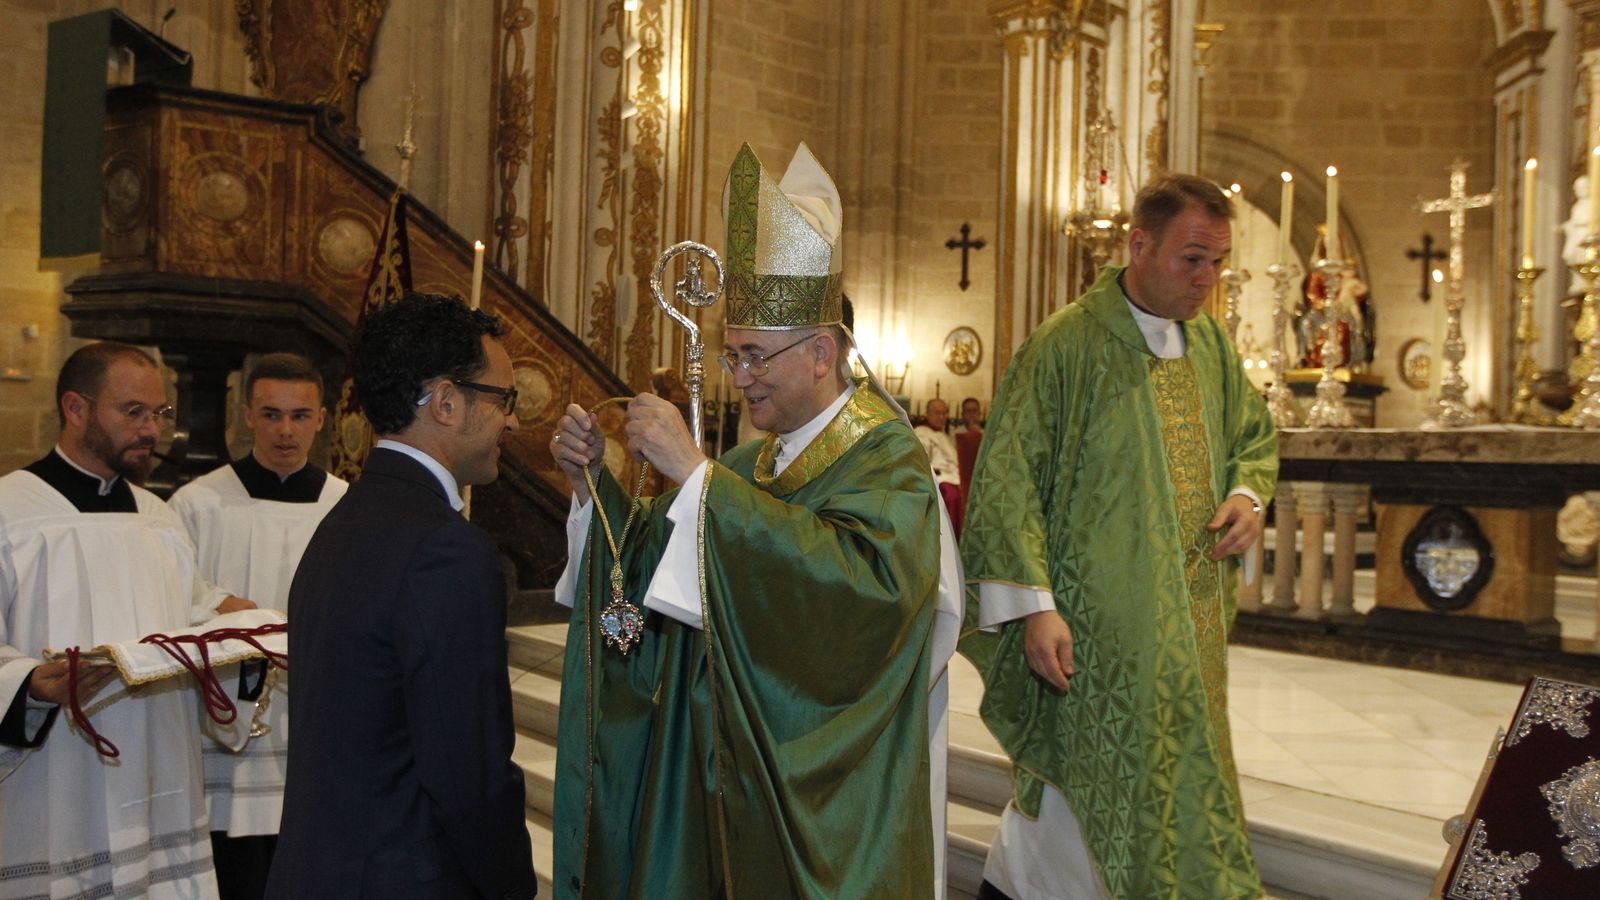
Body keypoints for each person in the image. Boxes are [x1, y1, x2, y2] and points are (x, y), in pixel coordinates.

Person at [549, 142, 960, 898]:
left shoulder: (887, 457)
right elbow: (646, 573)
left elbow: (865, 598)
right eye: (732, 354)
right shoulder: (749, 467)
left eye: (756, 357)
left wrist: (699, 478)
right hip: (726, 771)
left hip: (829, 789)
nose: (740, 377)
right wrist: (593, 490)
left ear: (820, 352)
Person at [961, 174, 1279, 900]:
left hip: (1188, 628)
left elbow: (1253, 436)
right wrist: (1035, 604)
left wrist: (1244, 493)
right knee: (1080, 797)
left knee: (1182, 780)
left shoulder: (1211, 347)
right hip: (1091, 631)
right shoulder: (1065, 345)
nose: (1207, 281)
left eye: (1219, 264)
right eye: (1191, 259)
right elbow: (1008, 480)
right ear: (1139, 244)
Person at [266, 293, 536, 899]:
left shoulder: (344, 520)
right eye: (502, 400)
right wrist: (513, 887)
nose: (513, 421)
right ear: (446, 401)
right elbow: (468, 772)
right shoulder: (445, 550)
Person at [0, 341, 251, 899]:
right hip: (56, 780)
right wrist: (29, 687)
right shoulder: (11, 513)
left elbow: (194, 616)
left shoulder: (158, 519)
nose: (152, 430)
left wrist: (249, 632)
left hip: (158, 776)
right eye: (132, 412)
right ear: (76, 408)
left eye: (159, 413)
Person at [169, 352, 348, 899]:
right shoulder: (197, 505)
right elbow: (173, 601)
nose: (285, 431)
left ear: (322, 419)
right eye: (271, 414)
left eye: (300, 415)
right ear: (246, 414)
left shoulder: (347, 506)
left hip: (317, 723)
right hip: (224, 733)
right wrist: (230, 608)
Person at [915, 397, 964, 534]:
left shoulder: (945, 435)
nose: (942, 417)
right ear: (928, 413)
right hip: (938, 479)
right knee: (951, 495)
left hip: (953, 477)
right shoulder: (921, 432)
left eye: (944, 413)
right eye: (937, 413)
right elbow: (922, 460)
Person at [954, 396, 984, 509]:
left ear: (980, 413)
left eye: (974, 410)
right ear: (962, 414)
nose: (971, 414)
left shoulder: (985, 435)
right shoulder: (956, 434)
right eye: (968, 411)